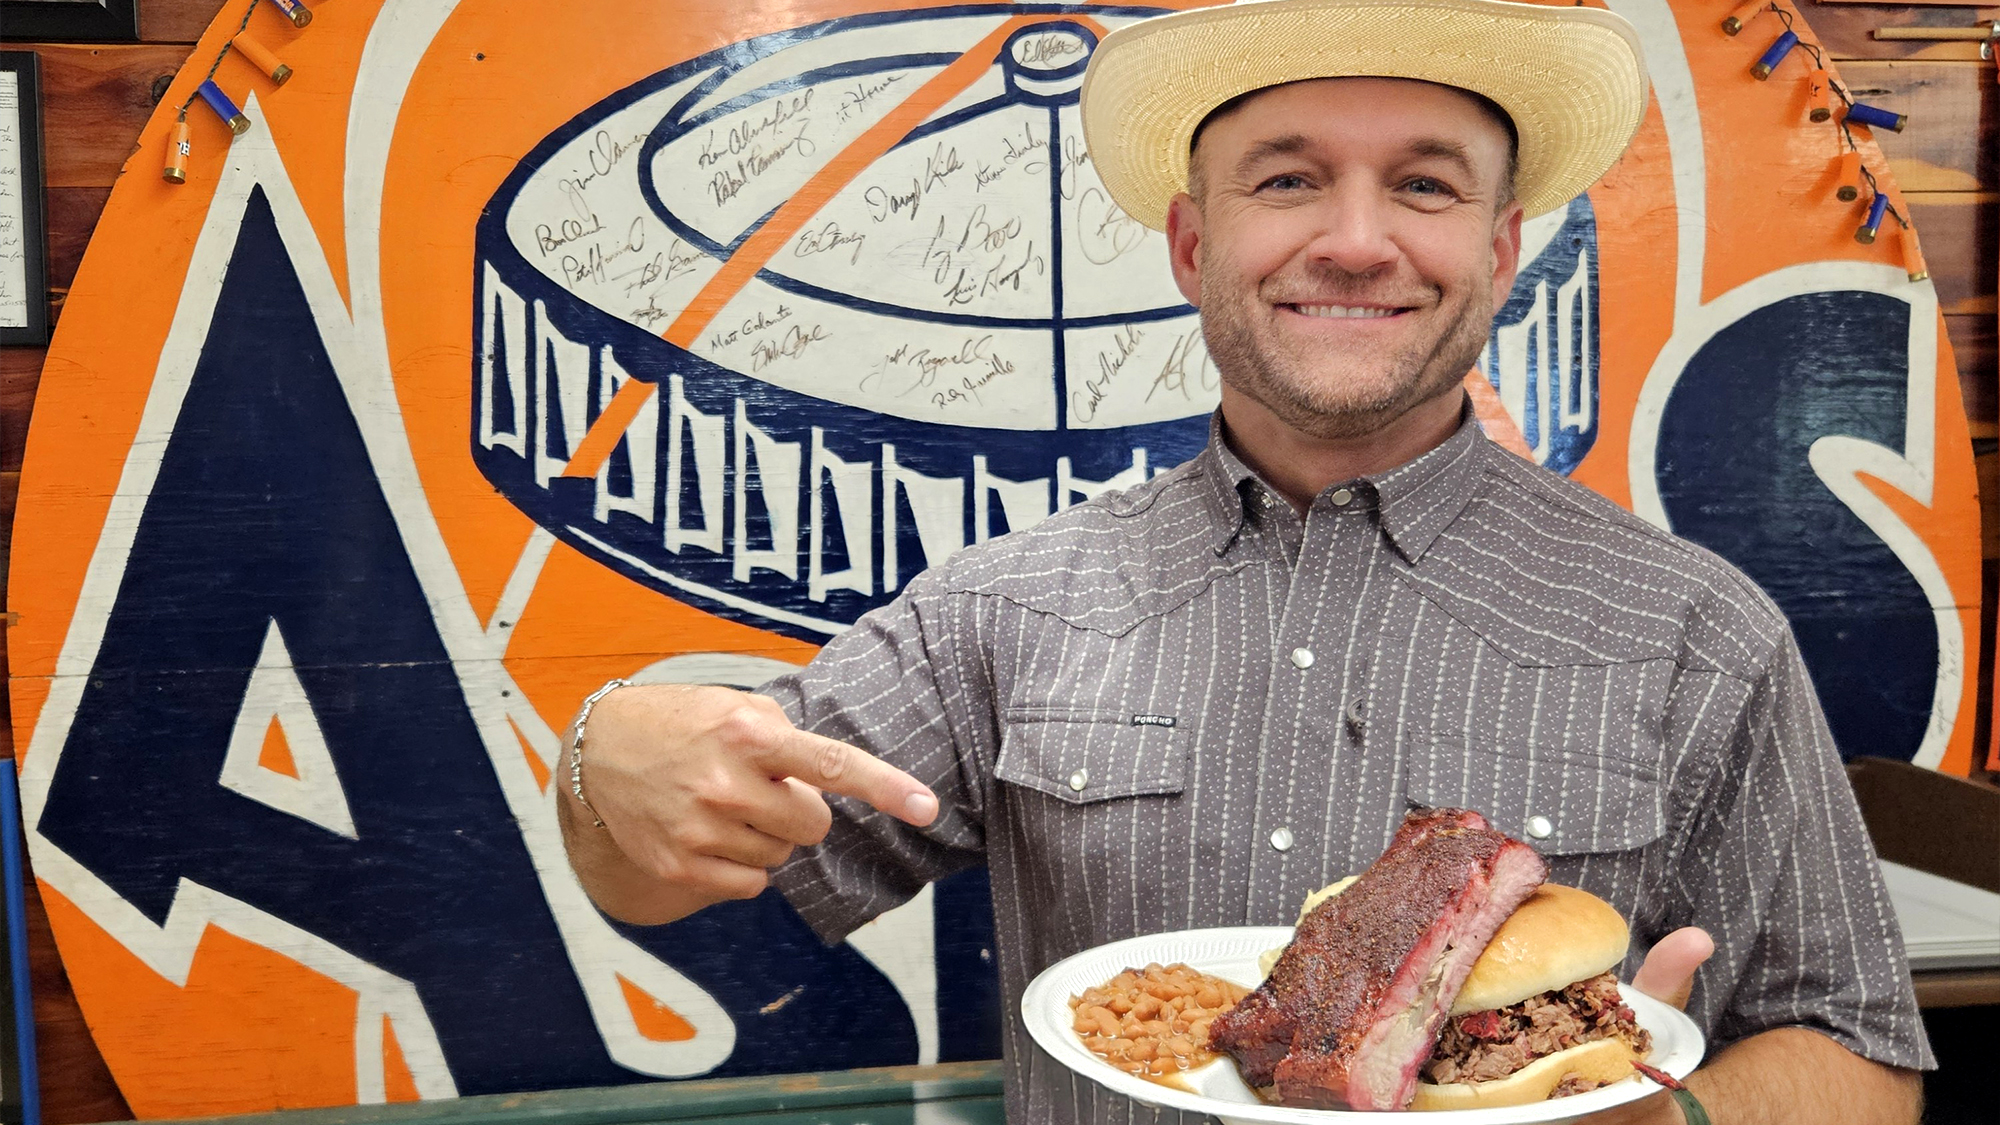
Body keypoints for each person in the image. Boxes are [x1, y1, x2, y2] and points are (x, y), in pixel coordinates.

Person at [559, 1, 1932, 1120]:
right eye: (1287, 179)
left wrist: (1677, 1124)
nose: (1352, 236)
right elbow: (657, 871)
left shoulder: (1694, 627)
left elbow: (1862, 1054)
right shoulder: (1006, 608)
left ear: (1501, 251)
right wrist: (605, 763)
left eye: (1423, 185)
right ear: (1194, 244)